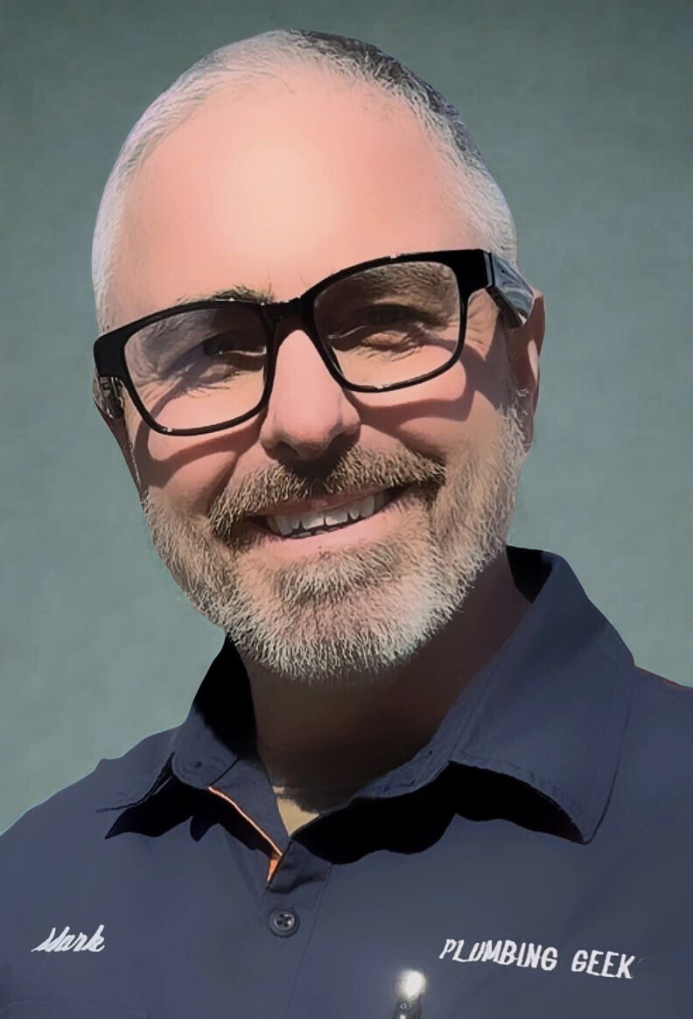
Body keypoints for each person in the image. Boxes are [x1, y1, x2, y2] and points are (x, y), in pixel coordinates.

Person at [1, 28, 690, 1019]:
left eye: (382, 320)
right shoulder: (25, 906)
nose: (306, 419)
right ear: (125, 435)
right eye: (209, 350)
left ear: (523, 367)